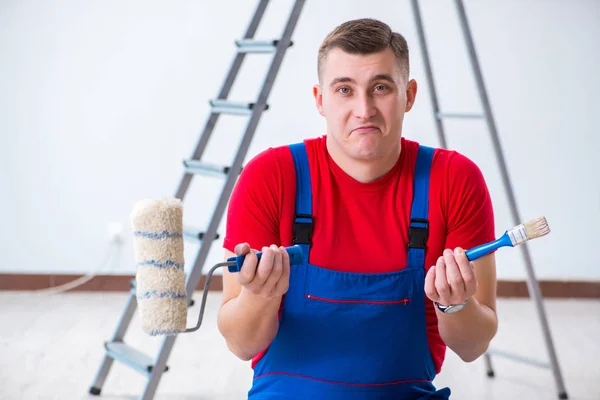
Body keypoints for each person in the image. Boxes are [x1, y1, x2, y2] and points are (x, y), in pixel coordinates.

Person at [217, 17, 498, 400]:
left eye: (380, 87)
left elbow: (473, 346)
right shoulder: (270, 177)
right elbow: (241, 344)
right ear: (320, 99)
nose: (363, 109)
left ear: (409, 95)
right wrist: (259, 295)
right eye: (345, 90)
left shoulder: (453, 180)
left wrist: (456, 305)